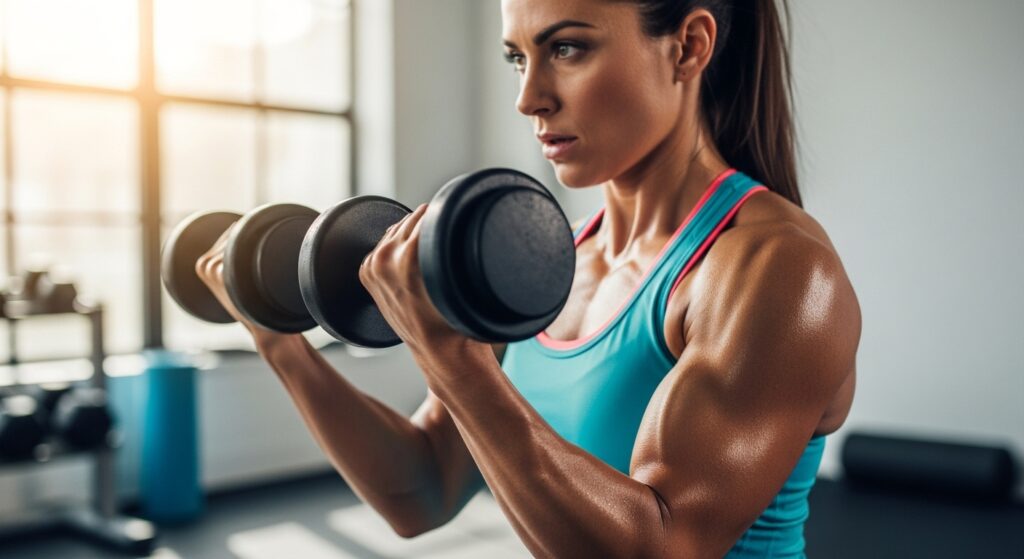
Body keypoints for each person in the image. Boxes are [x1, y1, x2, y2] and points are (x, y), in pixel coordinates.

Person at [197, 0, 861, 556]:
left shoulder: (776, 268)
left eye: (567, 49)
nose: (528, 98)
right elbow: (421, 487)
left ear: (687, 47)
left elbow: (664, 544)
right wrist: (281, 344)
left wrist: (453, 360)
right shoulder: (552, 266)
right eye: (518, 57)